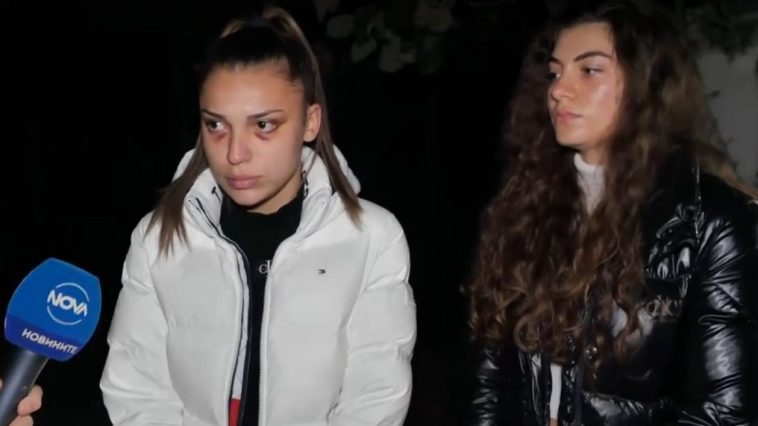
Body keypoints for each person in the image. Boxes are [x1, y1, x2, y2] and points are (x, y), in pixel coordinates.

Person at [99, 6, 416, 426]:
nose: (235, 153)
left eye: (263, 125)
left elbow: (374, 397)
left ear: (310, 122)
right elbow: (137, 391)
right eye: (216, 126)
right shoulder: (160, 239)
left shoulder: (371, 238)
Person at [467, 0, 758, 425]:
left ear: (646, 83)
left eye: (589, 70)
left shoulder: (711, 221)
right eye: (554, 73)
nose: (559, 90)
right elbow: (491, 381)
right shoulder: (524, 208)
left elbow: (721, 412)